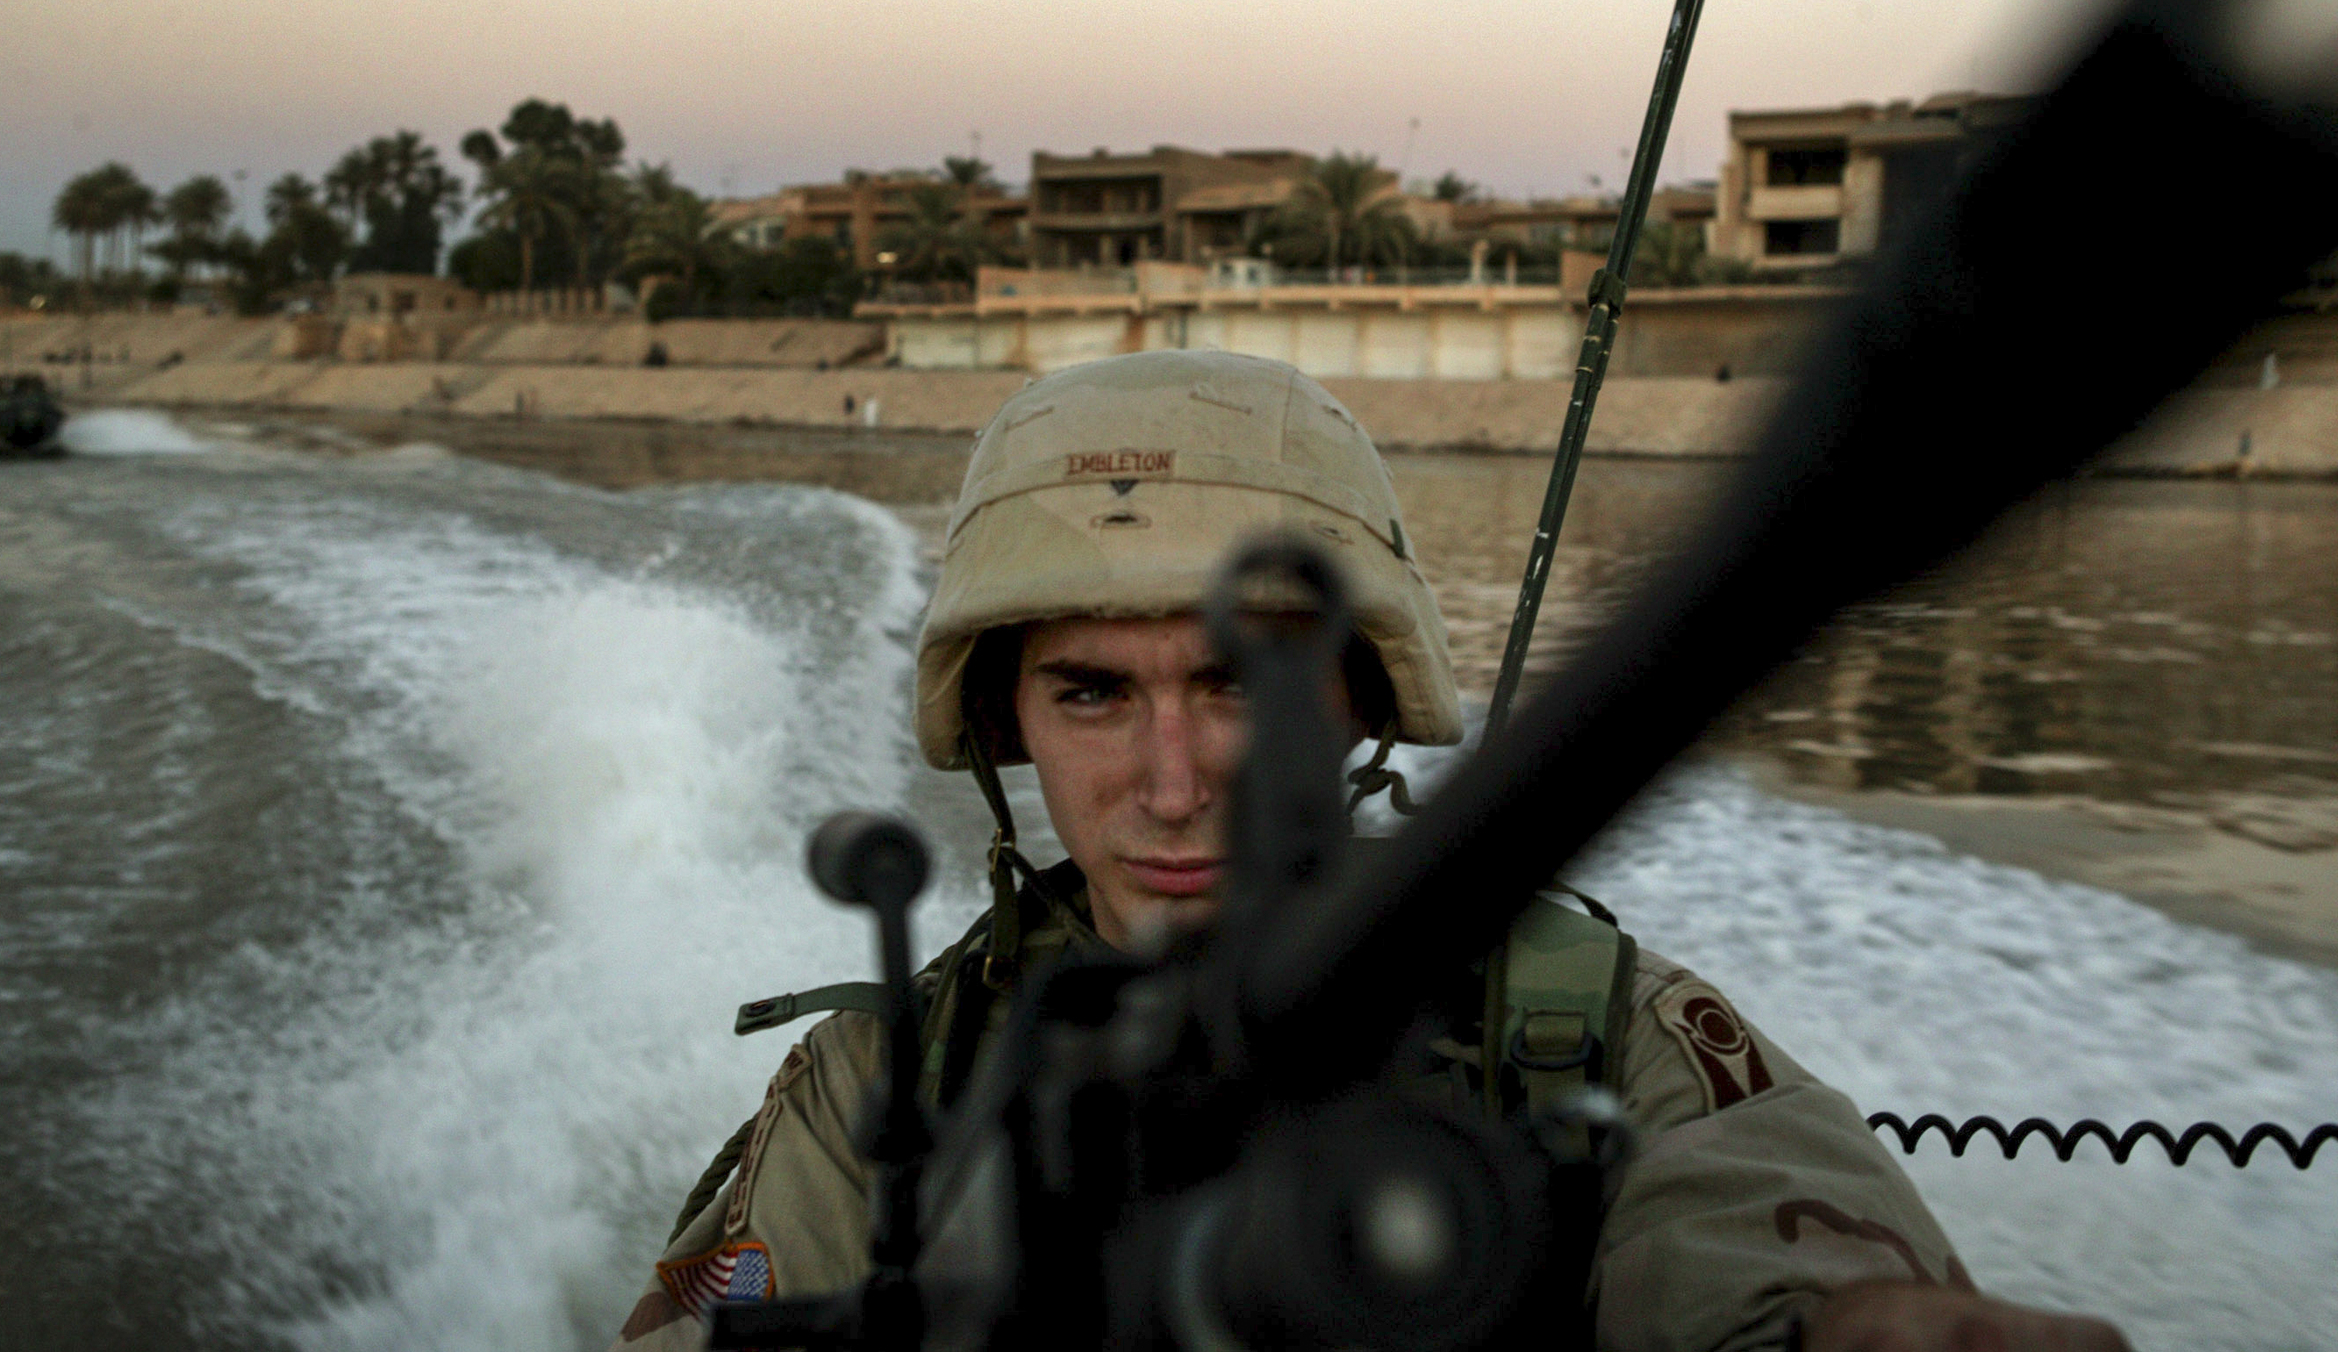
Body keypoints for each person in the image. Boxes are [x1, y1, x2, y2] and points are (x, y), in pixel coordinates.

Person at [612, 350, 2124, 1352]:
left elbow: (1765, 1258)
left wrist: (1853, 1328)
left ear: (1358, 702)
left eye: (1236, 686)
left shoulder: (1587, 1034)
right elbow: (705, 1320)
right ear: (1008, 723)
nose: (1175, 782)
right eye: (1092, 693)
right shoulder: (884, 1091)